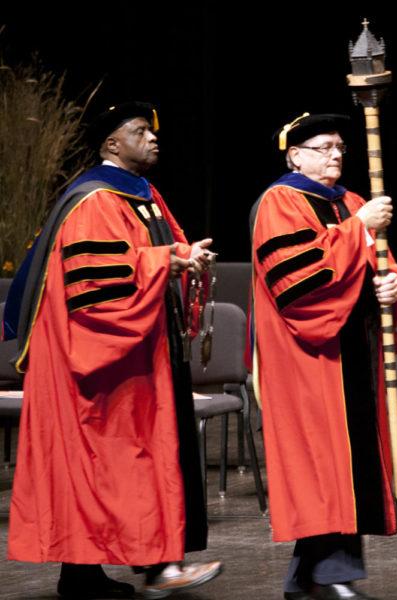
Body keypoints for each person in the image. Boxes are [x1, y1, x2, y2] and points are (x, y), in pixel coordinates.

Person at [6, 102, 221, 599]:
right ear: (111, 145)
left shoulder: (140, 196)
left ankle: (86, 575)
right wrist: (168, 260)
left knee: (110, 464)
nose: (152, 138)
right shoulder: (94, 200)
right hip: (95, 355)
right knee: (113, 461)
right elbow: (97, 283)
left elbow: (150, 256)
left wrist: (186, 258)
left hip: (136, 350)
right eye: (140, 130)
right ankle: (137, 569)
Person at [249, 113, 397, 600]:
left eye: (340, 146)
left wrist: (388, 289)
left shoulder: (350, 202)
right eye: (322, 147)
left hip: (352, 354)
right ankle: (331, 577)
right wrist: (358, 230)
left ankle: (309, 579)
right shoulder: (279, 203)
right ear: (294, 156)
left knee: (344, 467)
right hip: (308, 356)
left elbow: (379, 268)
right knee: (323, 467)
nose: (336, 155)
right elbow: (297, 282)